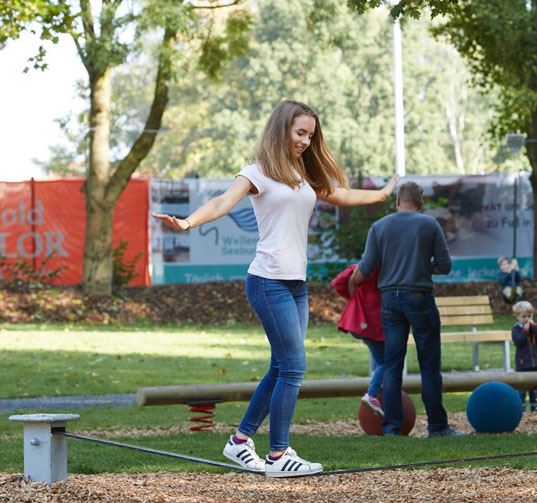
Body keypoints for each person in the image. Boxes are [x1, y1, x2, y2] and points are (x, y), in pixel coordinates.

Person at [154, 99, 398, 476]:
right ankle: (279, 455)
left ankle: (239, 442)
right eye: (300, 132)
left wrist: (382, 194)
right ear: (281, 128)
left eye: (311, 135)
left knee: (282, 365)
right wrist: (188, 223)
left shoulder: (303, 173)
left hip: (295, 283)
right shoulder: (256, 172)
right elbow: (223, 201)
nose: (305, 141)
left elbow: (341, 194)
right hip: (267, 281)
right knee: (294, 367)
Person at [347, 181, 464, 437]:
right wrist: (422, 267)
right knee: (429, 366)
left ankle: (391, 428)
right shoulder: (429, 224)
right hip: (419, 298)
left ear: (398, 201)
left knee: (392, 365)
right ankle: (437, 427)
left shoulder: (379, 226)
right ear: (420, 203)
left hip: (390, 302)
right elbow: (444, 266)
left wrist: (351, 284)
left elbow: (365, 267)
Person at [331, 265, 384, 415]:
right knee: (385, 361)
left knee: (378, 358)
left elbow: (338, 282)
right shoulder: (383, 268)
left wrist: (352, 296)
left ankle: (377, 389)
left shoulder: (358, 267)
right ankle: (372, 394)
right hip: (372, 321)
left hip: (357, 320)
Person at [512, 301, 537, 412]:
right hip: (523, 364)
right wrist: (525, 330)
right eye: (523, 316)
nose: (527, 319)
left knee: (534, 389)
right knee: (522, 389)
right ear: (517, 317)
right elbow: (518, 342)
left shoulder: (534, 327)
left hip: (535, 363)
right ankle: (520, 409)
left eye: (529, 316)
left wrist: (534, 328)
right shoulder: (516, 328)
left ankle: (534, 408)